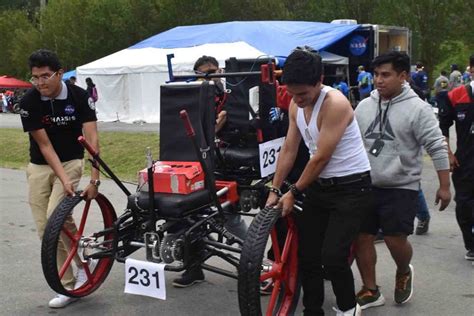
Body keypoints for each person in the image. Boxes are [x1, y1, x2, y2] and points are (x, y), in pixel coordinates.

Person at [267, 46, 373, 316]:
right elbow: (289, 149)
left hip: (352, 187)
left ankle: (348, 309)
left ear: (320, 80)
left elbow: (320, 158)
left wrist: (292, 191)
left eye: (303, 93)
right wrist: (274, 188)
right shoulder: (295, 103)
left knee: (334, 257)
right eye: (292, 93)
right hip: (320, 186)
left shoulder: (335, 104)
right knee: (308, 256)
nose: (297, 99)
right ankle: (312, 311)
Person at [354, 51, 451, 310]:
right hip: (366, 184)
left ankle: (402, 269)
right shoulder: (364, 106)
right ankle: (370, 289)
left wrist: (444, 186)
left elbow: (437, 146)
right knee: (361, 238)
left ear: (403, 76)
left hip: (401, 186)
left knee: (394, 240)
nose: (378, 80)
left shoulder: (418, 109)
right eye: (376, 75)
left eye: (385, 75)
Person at [19, 49, 100, 308]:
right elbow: (44, 146)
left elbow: (92, 139)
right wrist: (62, 179)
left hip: (72, 160)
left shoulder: (79, 96)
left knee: (56, 216)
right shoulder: (29, 101)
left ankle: (66, 285)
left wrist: (94, 179)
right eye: (35, 77)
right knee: (46, 228)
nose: (40, 83)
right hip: (40, 165)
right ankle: (82, 262)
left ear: (60, 73)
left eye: (45, 76)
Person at [171, 55, 248, 288]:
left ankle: (254, 264)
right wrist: (215, 127)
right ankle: (194, 267)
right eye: (205, 74)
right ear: (196, 75)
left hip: (228, 163)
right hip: (198, 162)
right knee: (189, 216)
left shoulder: (232, 97)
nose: (211, 77)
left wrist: (217, 128)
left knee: (230, 216)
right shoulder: (192, 100)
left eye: (214, 72)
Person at [439, 54, 474, 261]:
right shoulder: (456, 95)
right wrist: (448, 153)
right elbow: (443, 126)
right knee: (464, 204)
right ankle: (471, 245)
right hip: (465, 162)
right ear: (471, 69)